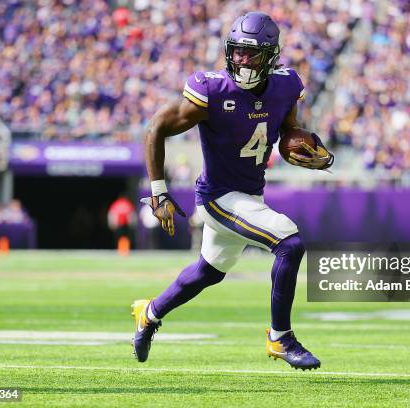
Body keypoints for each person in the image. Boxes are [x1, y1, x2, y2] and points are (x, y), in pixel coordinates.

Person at [132, 12, 333, 370]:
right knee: (290, 244)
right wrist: (159, 192)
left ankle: (149, 313)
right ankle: (280, 338)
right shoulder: (211, 89)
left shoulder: (286, 86)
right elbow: (155, 128)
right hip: (218, 198)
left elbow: (289, 129)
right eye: (237, 51)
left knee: (209, 271)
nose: (241, 59)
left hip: (249, 196)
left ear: (271, 55)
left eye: (250, 53)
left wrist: (299, 145)